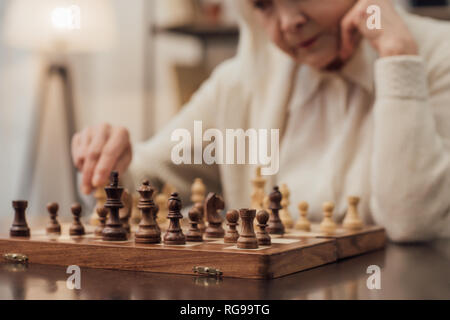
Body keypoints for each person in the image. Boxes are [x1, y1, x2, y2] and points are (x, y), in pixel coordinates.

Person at [71, 0, 450, 242]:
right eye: (265, 5)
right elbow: (144, 179)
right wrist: (110, 162)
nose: (289, 22)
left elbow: (411, 221)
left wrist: (398, 58)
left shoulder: (435, 55)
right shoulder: (241, 81)